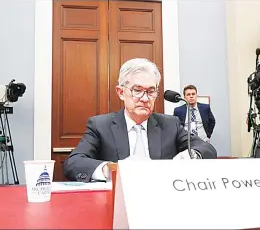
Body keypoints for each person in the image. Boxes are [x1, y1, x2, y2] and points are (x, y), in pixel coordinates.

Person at [63, 58, 217, 182]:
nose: (145, 98)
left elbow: (207, 148)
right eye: (137, 90)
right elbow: (73, 163)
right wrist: (110, 169)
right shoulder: (100, 126)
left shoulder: (170, 124)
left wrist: (192, 155)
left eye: (151, 91)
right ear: (121, 92)